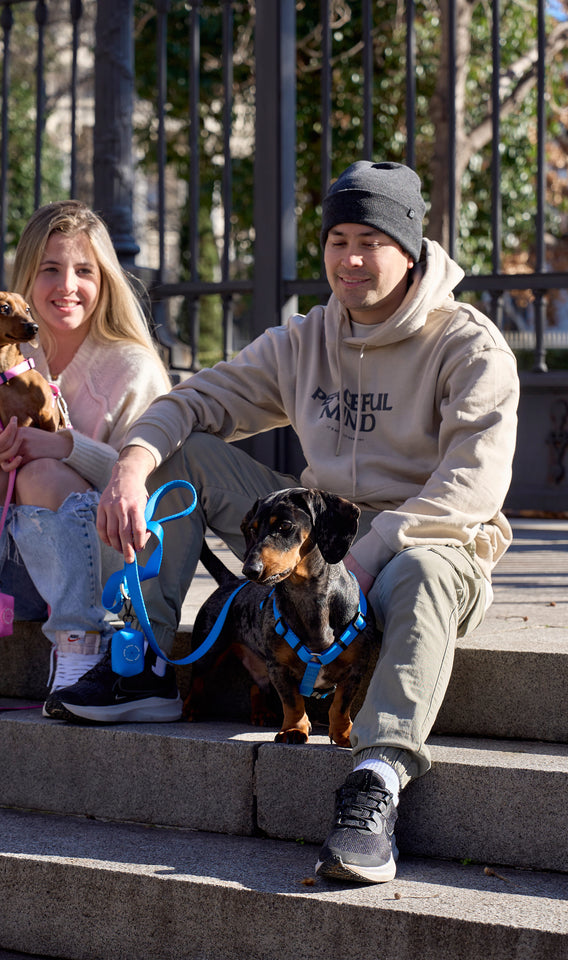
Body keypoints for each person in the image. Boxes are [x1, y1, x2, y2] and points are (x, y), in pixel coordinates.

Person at [44, 161, 520, 884]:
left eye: (372, 240)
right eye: (338, 240)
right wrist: (131, 466)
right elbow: (196, 400)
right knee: (186, 455)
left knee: (425, 570)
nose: (351, 259)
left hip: (430, 539)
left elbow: (471, 485)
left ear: (412, 249)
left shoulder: (469, 346)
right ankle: (143, 667)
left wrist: (365, 556)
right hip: (323, 528)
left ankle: (376, 782)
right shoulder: (306, 338)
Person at [0, 200, 171, 714]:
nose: (67, 286)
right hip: (7, 571)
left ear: (104, 280)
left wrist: (65, 447)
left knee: (41, 474)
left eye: (84, 271)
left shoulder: (132, 365)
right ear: (24, 279)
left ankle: (80, 647)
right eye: (49, 270)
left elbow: (155, 484)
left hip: (99, 569)